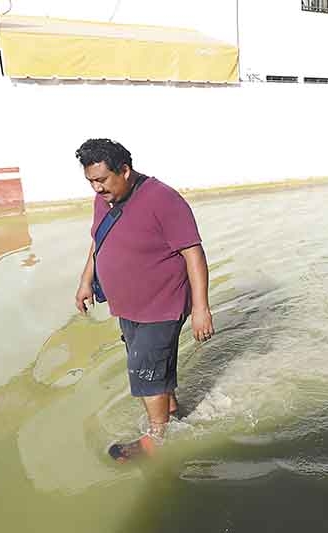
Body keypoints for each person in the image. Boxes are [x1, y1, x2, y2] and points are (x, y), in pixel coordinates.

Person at [73, 138, 214, 462]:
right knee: (154, 367)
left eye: (102, 180)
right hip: (128, 306)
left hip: (162, 305)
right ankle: (174, 414)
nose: (97, 188)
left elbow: (193, 253)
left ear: (124, 170)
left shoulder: (163, 199)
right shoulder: (104, 200)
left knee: (143, 369)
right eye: (91, 181)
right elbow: (98, 242)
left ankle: (156, 439)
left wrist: (201, 308)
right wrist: (85, 282)